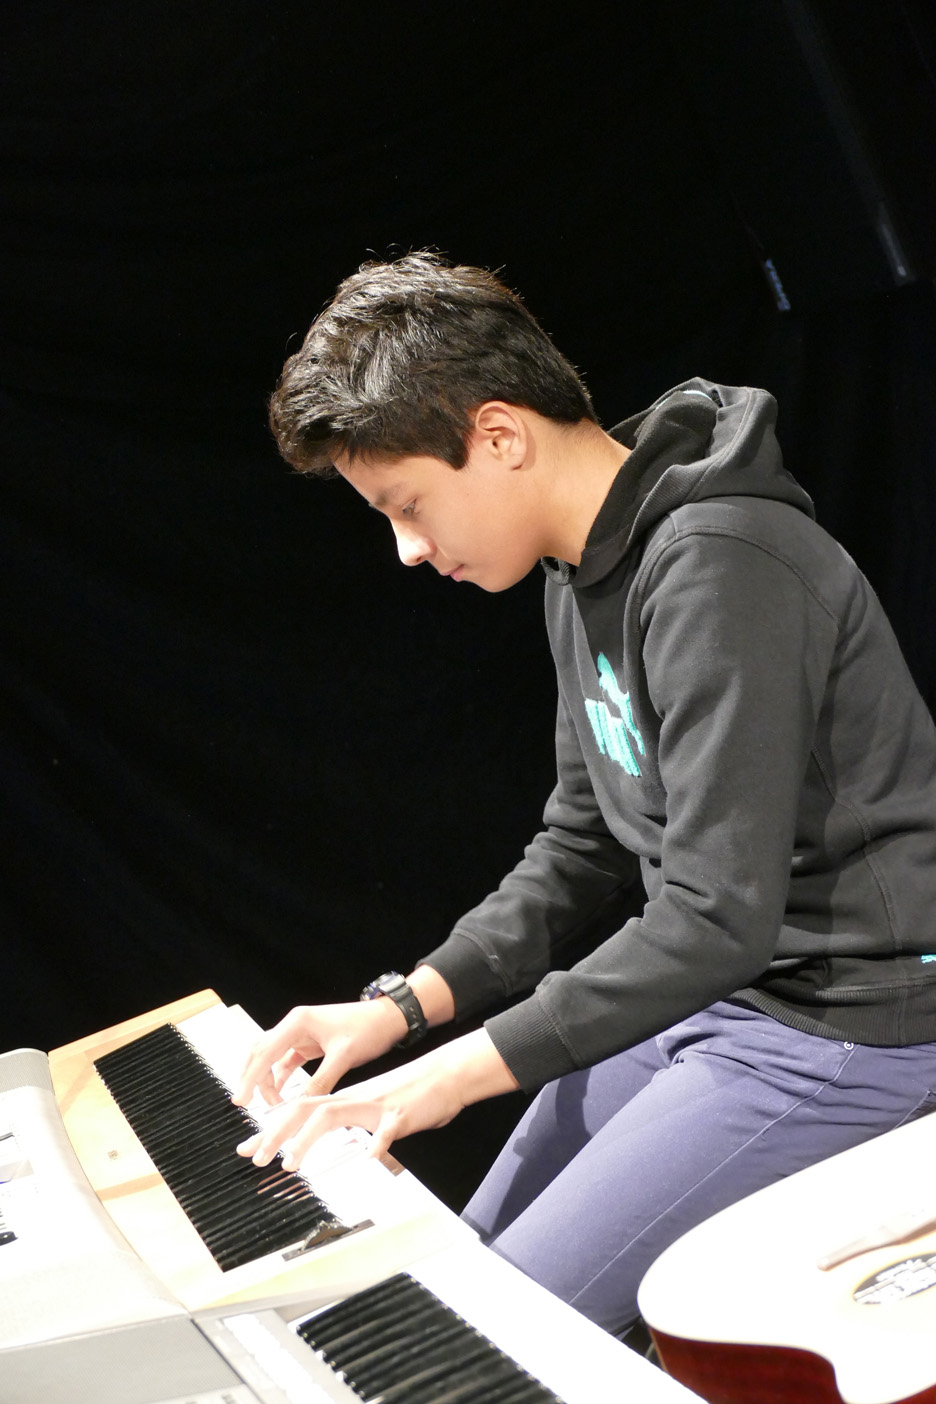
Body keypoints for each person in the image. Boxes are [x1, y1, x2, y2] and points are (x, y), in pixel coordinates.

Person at [233, 252, 936, 1340]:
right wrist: (403, 1009)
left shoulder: (721, 560)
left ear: (499, 436)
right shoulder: (581, 571)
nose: (408, 549)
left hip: (851, 1025)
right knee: (460, 1290)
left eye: (407, 505)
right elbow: (581, 840)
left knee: (501, 1343)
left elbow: (716, 916)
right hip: (730, 1004)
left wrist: (448, 1077)